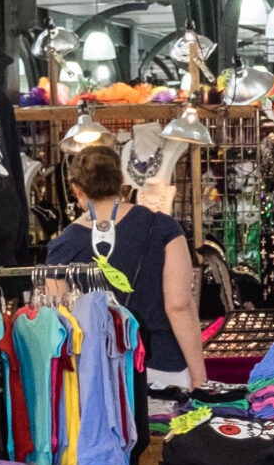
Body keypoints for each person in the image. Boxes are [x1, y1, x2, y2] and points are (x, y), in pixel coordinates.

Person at [44, 143, 209, 390]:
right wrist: (199, 376)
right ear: (121, 180)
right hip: (162, 366)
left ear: (76, 189)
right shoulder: (162, 227)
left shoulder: (63, 245)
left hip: (96, 374)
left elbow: (60, 319)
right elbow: (179, 305)